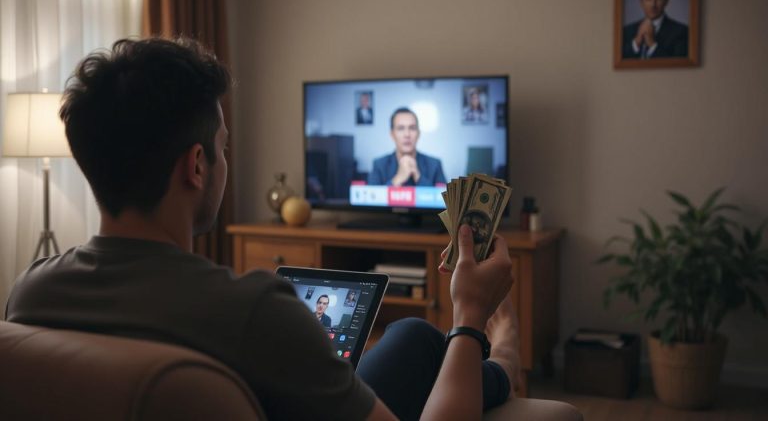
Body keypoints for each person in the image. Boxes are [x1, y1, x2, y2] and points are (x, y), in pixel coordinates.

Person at [4, 37, 519, 420]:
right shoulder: (255, 310)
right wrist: (471, 313)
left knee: (407, 334)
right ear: (197, 165)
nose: (226, 163)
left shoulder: (31, 290)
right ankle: (502, 362)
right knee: (425, 338)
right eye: (224, 147)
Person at [367, 107, 447, 187]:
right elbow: (371, 197)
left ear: (418, 133)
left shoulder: (434, 165)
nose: (407, 134)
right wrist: (397, 180)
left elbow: (444, 198)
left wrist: (418, 177)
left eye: (412, 128)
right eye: (400, 128)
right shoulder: (379, 165)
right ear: (392, 134)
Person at [622, 0, 688, 59]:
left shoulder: (682, 32)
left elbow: (678, 67)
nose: (653, 4)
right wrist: (636, 43)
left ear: (666, 1)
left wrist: (652, 44)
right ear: (641, 2)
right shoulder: (627, 31)